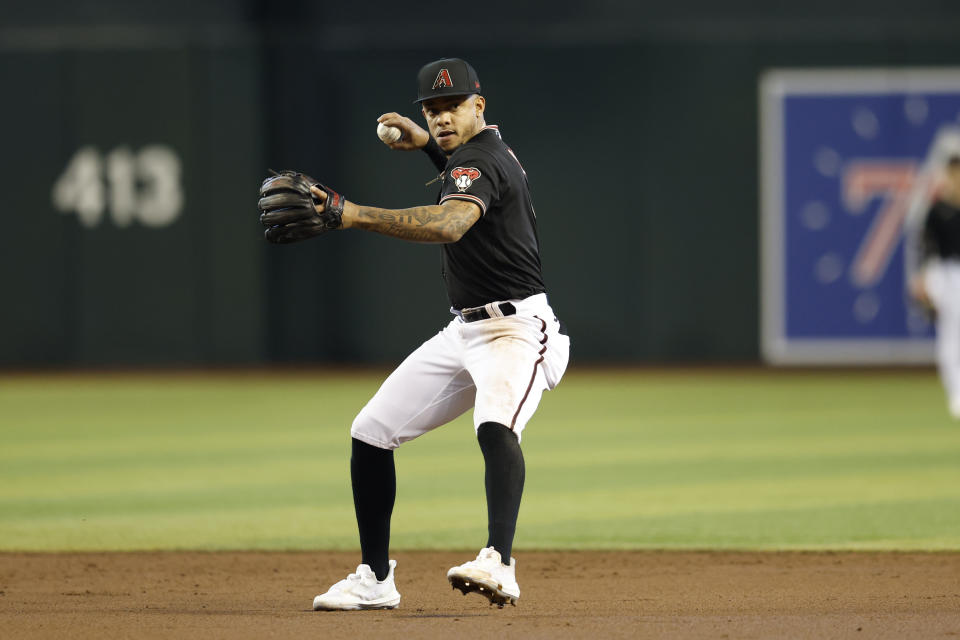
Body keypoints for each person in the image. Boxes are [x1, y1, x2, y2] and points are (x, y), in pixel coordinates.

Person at [303, 58, 570, 609]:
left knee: (496, 425)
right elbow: (457, 165)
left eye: (452, 106)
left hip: (517, 328)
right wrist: (426, 141)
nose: (442, 116)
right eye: (433, 108)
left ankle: (500, 562)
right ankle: (375, 581)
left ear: (480, 104)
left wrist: (351, 213)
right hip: (465, 330)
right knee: (371, 431)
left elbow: (450, 223)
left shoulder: (481, 160)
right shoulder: (478, 153)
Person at [909, 154, 960, 420]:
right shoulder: (938, 209)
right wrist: (922, 279)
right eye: (953, 173)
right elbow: (925, 247)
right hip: (947, 273)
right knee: (951, 333)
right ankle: (957, 394)